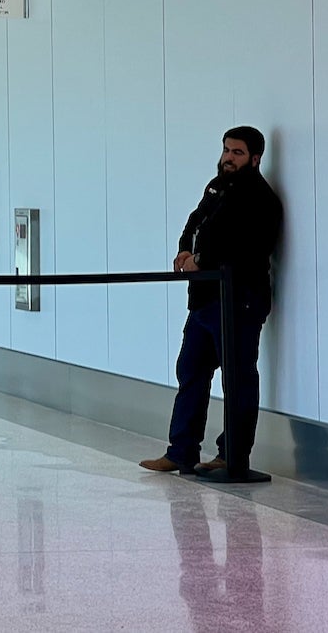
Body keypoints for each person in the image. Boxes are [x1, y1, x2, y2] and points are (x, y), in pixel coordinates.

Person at [140, 127, 283, 474]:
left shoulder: (260, 198)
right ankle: (181, 451)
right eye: (226, 150)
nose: (228, 158)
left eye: (237, 152)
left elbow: (244, 248)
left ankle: (232, 457)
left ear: (255, 158)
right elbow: (195, 221)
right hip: (204, 300)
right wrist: (184, 249)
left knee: (237, 379)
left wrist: (200, 260)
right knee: (190, 370)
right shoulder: (217, 187)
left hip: (238, 301)